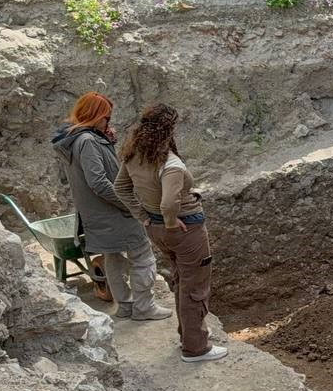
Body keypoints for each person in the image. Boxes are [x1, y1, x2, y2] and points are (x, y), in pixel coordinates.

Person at [113, 103, 227, 363]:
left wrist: (144, 216)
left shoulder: (134, 155)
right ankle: (196, 348)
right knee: (194, 287)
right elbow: (168, 202)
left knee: (182, 282)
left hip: (156, 229)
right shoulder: (170, 164)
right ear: (168, 130)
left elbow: (121, 188)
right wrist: (170, 220)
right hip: (185, 230)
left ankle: (187, 336)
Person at [52, 92, 170, 322]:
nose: (109, 121)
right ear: (94, 116)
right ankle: (144, 307)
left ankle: (125, 306)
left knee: (113, 258)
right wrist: (129, 203)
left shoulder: (78, 139)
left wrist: (106, 140)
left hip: (96, 214)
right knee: (143, 256)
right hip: (113, 212)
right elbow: (98, 181)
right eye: (106, 117)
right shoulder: (87, 142)